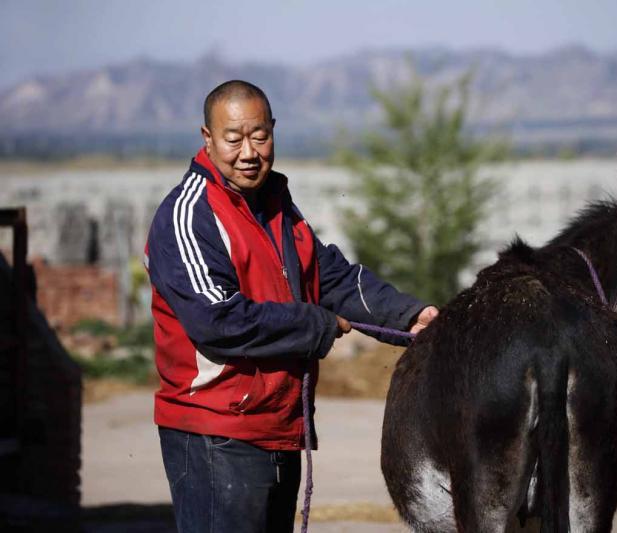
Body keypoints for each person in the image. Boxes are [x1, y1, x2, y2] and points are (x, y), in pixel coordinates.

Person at [144, 79, 438, 533]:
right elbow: (219, 321)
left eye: (259, 136)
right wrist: (317, 325)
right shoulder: (188, 215)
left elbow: (330, 277)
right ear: (206, 138)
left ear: (274, 132)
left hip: (280, 428)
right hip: (216, 434)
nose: (249, 152)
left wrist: (410, 316)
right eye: (234, 138)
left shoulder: (278, 207)